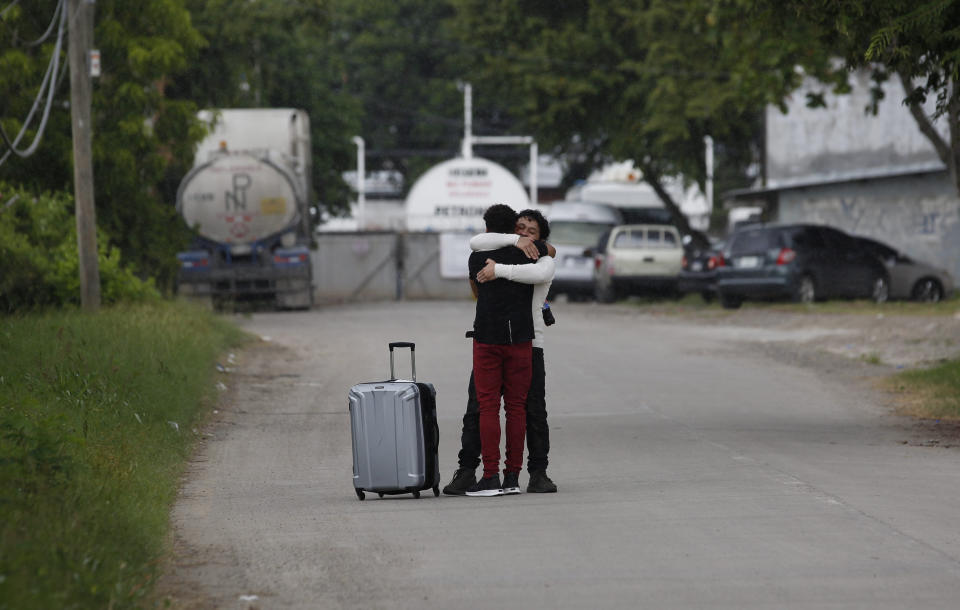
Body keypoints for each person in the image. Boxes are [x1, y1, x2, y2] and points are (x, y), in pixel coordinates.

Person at [445, 209, 558, 496]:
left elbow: (541, 269)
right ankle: (469, 469)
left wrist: (499, 269)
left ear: (541, 237)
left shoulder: (537, 259)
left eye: (531, 231)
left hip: (529, 344)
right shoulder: (503, 248)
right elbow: (477, 240)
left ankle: (536, 472)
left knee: (531, 411)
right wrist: (513, 241)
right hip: (499, 339)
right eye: (519, 228)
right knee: (478, 409)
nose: (524, 234)